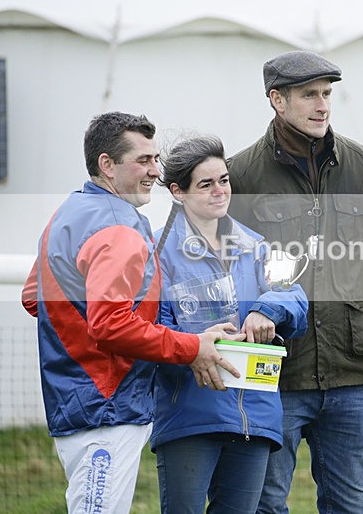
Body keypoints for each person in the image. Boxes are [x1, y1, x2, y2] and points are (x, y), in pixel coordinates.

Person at [21, 112, 241, 513]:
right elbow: (109, 323)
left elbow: (35, 297)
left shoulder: (69, 211)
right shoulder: (120, 224)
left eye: (155, 159)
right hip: (107, 407)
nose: (155, 171)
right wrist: (190, 346)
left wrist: (84, 335)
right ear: (107, 164)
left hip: (76, 399)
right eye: (143, 160)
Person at [227, 51, 363, 514]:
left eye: (327, 94)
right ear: (277, 100)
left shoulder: (361, 164)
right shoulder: (240, 174)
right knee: (266, 502)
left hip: (349, 372)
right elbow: (232, 271)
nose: (323, 106)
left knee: (346, 503)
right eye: (309, 95)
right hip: (275, 371)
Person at [150, 134, 308, 513]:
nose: (220, 191)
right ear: (178, 192)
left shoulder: (258, 247)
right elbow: (151, 328)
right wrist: (195, 342)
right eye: (206, 184)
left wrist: (267, 309)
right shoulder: (155, 252)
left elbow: (296, 296)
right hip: (191, 416)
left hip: (254, 416)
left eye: (224, 180)